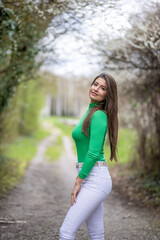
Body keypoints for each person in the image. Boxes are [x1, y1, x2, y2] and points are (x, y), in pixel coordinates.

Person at [59, 72, 119, 240]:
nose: (96, 89)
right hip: (93, 177)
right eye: (95, 84)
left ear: (108, 95)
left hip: (95, 179)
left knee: (66, 232)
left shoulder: (99, 115)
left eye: (103, 88)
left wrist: (79, 180)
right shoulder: (90, 113)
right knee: (96, 235)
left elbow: (93, 153)